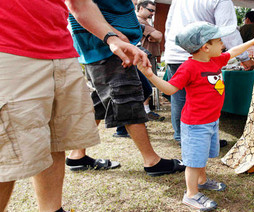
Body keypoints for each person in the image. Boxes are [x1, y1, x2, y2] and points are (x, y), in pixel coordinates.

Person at [0, 0, 150, 211]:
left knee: (56, 141)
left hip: (62, 52)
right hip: (10, 51)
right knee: (6, 157)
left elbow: (80, 3)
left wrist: (111, 38)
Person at [137, 22, 254, 211]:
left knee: (202, 156)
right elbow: (171, 89)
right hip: (195, 124)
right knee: (193, 161)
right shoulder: (188, 67)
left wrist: (253, 41)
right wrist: (150, 76)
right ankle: (191, 194)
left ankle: (202, 180)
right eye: (218, 41)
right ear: (205, 47)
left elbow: (233, 52)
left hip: (212, 121)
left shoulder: (214, 60)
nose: (223, 44)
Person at [66, 0, 186, 176]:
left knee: (99, 102)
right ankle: (151, 161)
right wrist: (114, 38)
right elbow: (79, 6)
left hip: (103, 44)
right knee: (128, 97)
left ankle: (77, 154)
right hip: (109, 46)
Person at [164, 0, 254, 143]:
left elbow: (168, 26)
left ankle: (190, 137)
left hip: (175, 52)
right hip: (197, 56)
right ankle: (191, 139)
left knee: (183, 99)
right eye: (219, 40)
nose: (222, 43)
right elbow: (228, 30)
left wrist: (169, 48)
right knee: (196, 100)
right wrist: (244, 58)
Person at [136, 0, 165, 121]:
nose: (152, 13)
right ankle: (144, 111)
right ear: (141, 8)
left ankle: (146, 110)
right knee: (144, 85)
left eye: (154, 11)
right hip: (143, 57)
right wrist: (156, 36)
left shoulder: (145, 22)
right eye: (150, 10)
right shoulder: (138, 20)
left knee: (147, 85)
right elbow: (158, 35)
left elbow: (159, 36)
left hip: (149, 56)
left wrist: (157, 36)